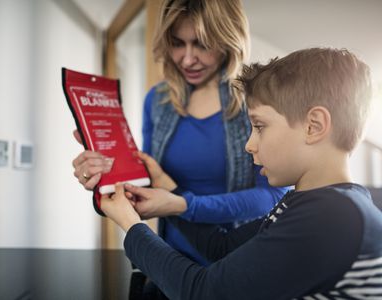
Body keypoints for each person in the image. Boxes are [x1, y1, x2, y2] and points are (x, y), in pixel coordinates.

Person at [99, 47, 382, 299]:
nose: (249, 144)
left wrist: (130, 224)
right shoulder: (312, 203)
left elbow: (204, 292)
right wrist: (170, 193)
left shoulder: (333, 216)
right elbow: (221, 247)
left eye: (259, 127)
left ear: (314, 125)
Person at [72, 0, 286, 267]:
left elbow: (274, 197)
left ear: (230, 39)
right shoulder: (158, 101)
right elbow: (149, 183)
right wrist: (105, 173)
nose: (187, 58)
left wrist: (183, 204)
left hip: (234, 264)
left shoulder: (257, 102)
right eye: (176, 43)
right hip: (169, 261)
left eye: (202, 44)